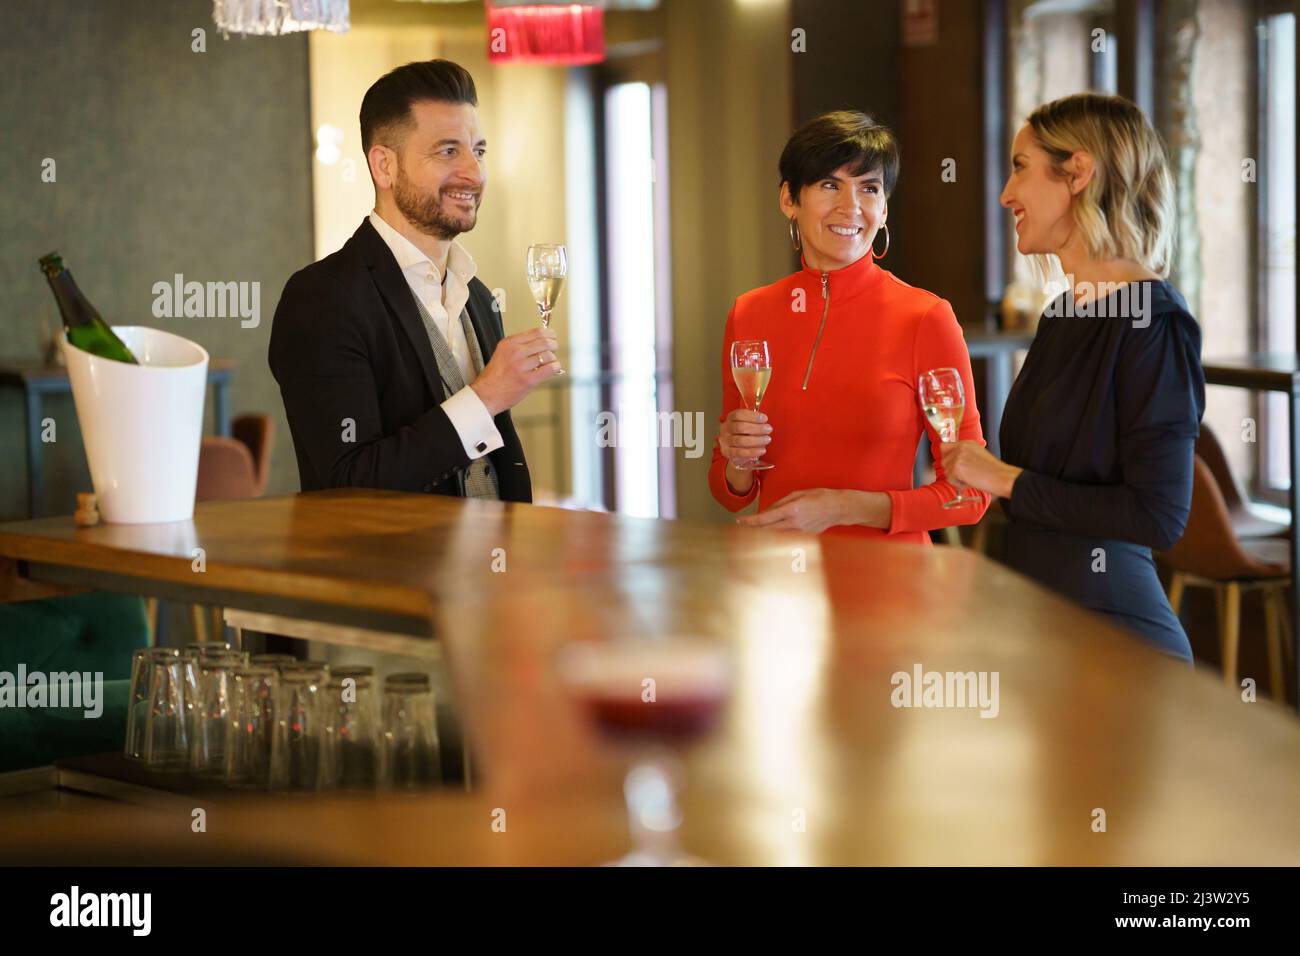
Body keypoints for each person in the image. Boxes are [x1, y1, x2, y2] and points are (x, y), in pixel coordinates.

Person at [941, 92, 1205, 661]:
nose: (1005, 194)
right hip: (1044, 628)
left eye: (1019, 168)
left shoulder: (1153, 323)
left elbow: (1158, 516)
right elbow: (1043, 490)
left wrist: (1004, 479)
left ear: (1078, 172)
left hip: (1118, 642)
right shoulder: (1064, 314)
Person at [269, 59, 561, 503]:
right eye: (448, 151)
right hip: (388, 571)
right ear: (384, 166)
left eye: (478, 151)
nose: (474, 173)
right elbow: (348, 483)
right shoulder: (321, 298)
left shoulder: (479, 297)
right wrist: (485, 397)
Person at [709, 110, 990, 541]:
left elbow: (970, 494)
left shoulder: (926, 317)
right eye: (829, 185)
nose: (851, 207)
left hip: (889, 587)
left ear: (884, 207)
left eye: (869, 188)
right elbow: (731, 493)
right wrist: (737, 458)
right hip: (780, 586)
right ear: (789, 199)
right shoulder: (749, 313)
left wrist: (846, 507)